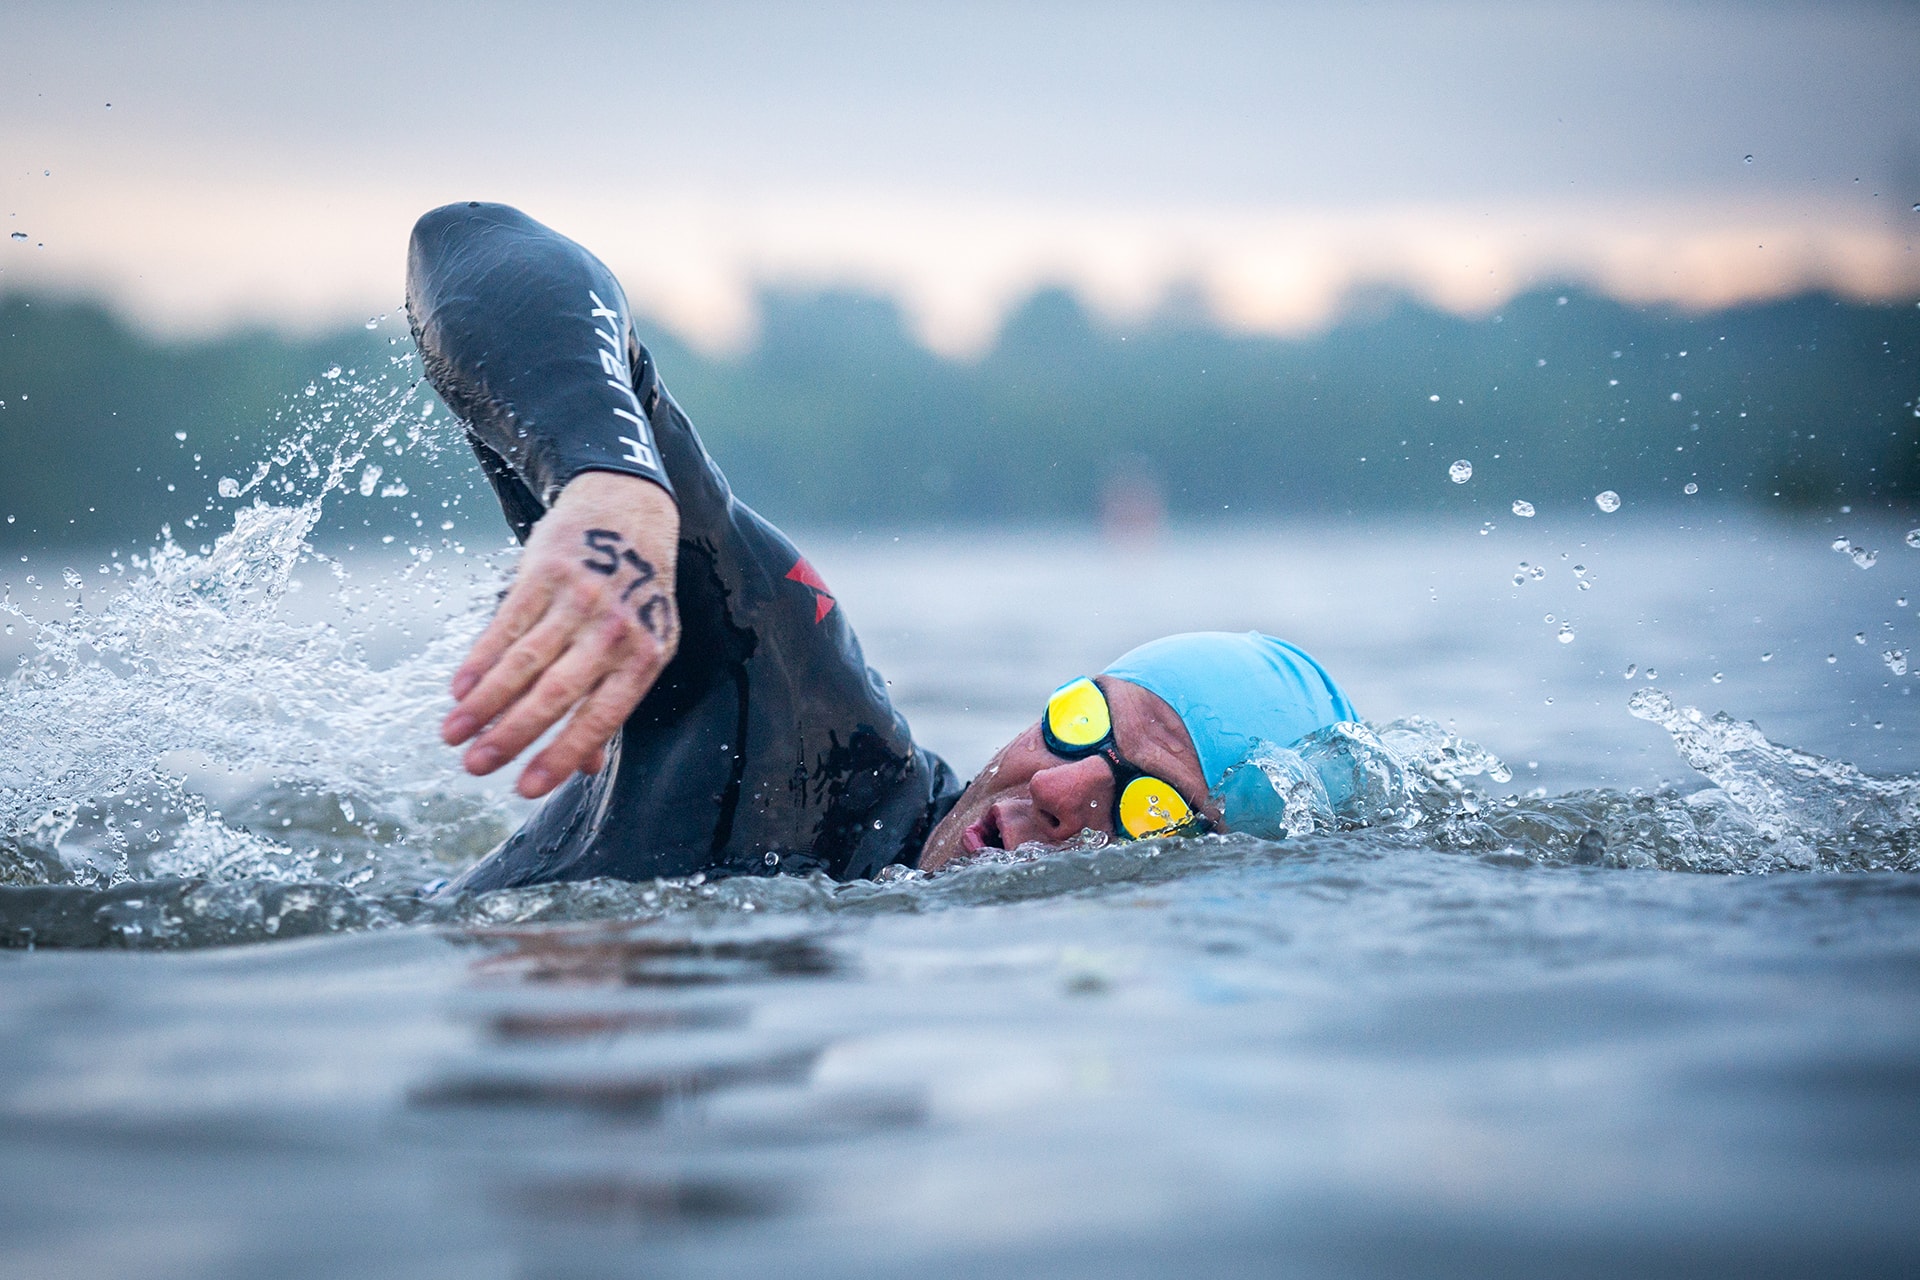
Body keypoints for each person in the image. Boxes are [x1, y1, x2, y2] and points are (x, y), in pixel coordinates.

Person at [407, 203, 1355, 894]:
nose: (1062, 785)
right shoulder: (790, 716)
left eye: (1153, 804)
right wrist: (611, 479)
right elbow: (472, 244)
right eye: (1079, 721)